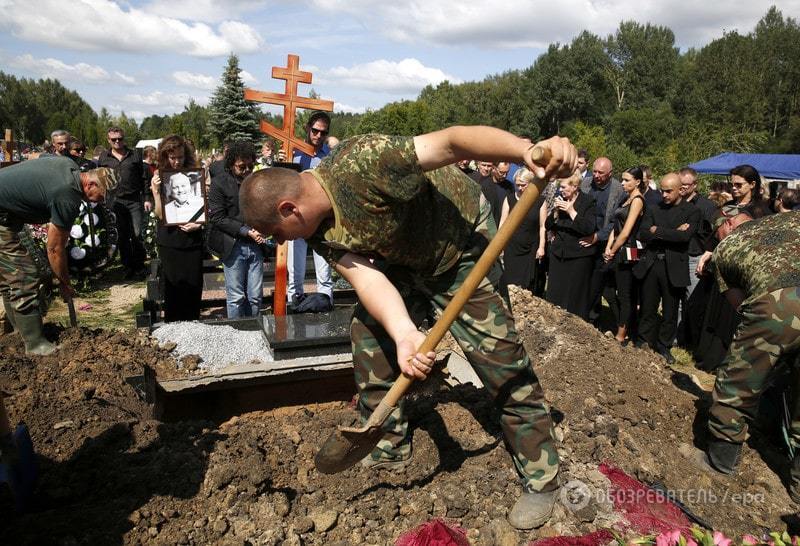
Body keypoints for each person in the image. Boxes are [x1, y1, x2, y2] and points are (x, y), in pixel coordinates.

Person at [240, 126, 576, 530]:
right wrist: (404, 333)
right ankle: (388, 440)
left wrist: (528, 151)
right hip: (404, 258)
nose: (282, 242)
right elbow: (366, 279)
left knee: (499, 359)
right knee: (370, 334)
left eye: (278, 235)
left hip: (460, 244)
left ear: (289, 209)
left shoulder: (364, 163)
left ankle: (542, 476)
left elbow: (452, 143)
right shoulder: (316, 229)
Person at [688, 211, 800, 499]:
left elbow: (740, 307)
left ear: (727, 226)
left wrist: (769, 354)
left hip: (780, 304)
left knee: (737, 381)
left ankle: (721, 461)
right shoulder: (787, 219)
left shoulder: (725, 249)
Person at [0, 156, 117, 354]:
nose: (102, 201)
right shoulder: (67, 195)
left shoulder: (69, 166)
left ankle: (20, 334)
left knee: (9, 277)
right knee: (24, 275)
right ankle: (35, 345)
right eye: (102, 195)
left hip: (6, 215)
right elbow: (54, 248)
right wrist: (64, 283)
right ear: (89, 184)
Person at [633, 173, 701, 364]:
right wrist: (671, 232)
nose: (664, 195)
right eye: (662, 190)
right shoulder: (654, 209)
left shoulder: (691, 211)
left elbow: (685, 237)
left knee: (670, 311)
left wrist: (658, 231)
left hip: (674, 267)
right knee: (648, 307)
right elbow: (643, 234)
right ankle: (643, 341)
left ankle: (664, 345)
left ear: (681, 190)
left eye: (669, 191)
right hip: (653, 264)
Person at [149, 136, 204, 322]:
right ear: (165, 156)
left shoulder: (195, 174)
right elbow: (159, 214)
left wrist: (199, 223)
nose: (176, 161)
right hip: (170, 240)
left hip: (192, 240)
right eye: (172, 158)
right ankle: (173, 326)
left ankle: (193, 324)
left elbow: (204, 208)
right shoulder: (159, 175)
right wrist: (155, 193)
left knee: (193, 285)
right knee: (173, 287)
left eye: (180, 157)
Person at [207, 141, 265, 318]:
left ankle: (255, 331)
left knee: (255, 297)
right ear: (232, 164)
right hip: (233, 245)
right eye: (242, 167)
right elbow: (217, 217)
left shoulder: (258, 182)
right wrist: (245, 231)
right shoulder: (219, 183)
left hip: (256, 245)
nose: (247, 170)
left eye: (250, 165)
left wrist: (265, 229)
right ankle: (237, 334)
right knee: (236, 297)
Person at [289, 111, 334, 313]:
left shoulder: (329, 155)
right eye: (315, 130)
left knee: (324, 268)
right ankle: (294, 301)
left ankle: (325, 301)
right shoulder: (294, 151)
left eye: (322, 133)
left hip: (319, 218)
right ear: (308, 128)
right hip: (296, 216)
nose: (318, 135)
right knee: (294, 267)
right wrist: (282, 160)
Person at [545, 170, 597, 319]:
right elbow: (548, 225)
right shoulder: (559, 199)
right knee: (556, 293)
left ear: (574, 186)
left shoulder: (588, 202)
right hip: (559, 254)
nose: (560, 190)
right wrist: (555, 212)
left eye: (563, 187)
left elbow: (589, 228)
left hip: (578, 255)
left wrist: (571, 211)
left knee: (575, 296)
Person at [97, 127, 148, 279]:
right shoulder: (103, 158)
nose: (117, 142)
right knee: (123, 235)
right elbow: (99, 179)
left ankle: (139, 265)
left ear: (124, 139)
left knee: (138, 234)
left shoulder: (135, 156)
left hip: (134, 200)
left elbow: (144, 178)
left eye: (120, 138)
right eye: (114, 140)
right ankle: (127, 266)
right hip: (115, 202)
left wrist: (146, 198)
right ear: (109, 141)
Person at [603, 167, 646, 344]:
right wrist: (608, 247)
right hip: (616, 248)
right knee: (607, 289)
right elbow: (616, 225)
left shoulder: (637, 200)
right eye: (622, 179)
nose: (622, 183)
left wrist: (613, 251)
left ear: (638, 181)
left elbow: (627, 231)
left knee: (625, 293)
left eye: (627, 180)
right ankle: (621, 321)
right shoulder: (625, 198)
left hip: (628, 250)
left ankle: (621, 334)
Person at [581, 157, 624, 326]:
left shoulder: (618, 190)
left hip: (603, 242)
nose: (596, 176)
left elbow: (616, 222)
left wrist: (598, 237)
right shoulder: (585, 184)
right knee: (583, 280)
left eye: (601, 173)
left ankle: (594, 318)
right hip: (584, 240)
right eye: (595, 171)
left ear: (610, 174)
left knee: (598, 284)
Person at [498, 168, 545, 290]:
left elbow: (542, 226)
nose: (519, 188)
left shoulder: (540, 201)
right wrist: (499, 245)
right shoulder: (509, 199)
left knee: (525, 285)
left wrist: (541, 247)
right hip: (511, 247)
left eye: (523, 185)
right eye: (517, 185)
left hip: (530, 248)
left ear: (530, 184)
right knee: (509, 282)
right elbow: (503, 222)